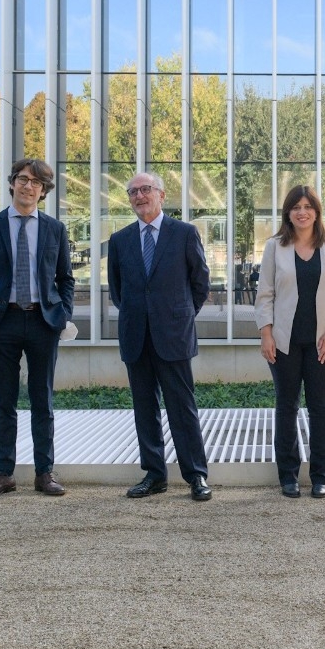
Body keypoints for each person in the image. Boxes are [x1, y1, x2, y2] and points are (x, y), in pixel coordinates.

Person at [0, 159, 75, 499]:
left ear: (43, 191)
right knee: (5, 401)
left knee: (43, 399)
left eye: (36, 183)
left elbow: (65, 279)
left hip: (43, 322)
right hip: (2, 321)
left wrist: (61, 315)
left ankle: (45, 473)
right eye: (23, 179)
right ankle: (4, 474)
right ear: (12, 183)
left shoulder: (55, 229)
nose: (28, 186)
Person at [107, 172, 213, 501]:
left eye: (145, 189)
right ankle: (154, 474)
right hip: (136, 335)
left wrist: (177, 315)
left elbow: (201, 283)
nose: (139, 196)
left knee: (182, 407)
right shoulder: (120, 240)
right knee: (144, 407)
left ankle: (196, 475)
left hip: (174, 335)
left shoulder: (183, 233)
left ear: (161, 195)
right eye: (133, 191)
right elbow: (117, 291)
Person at [254, 186, 325, 499]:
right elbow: (265, 293)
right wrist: (265, 332)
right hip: (284, 342)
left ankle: (321, 475)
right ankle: (288, 476)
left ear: (317, 212)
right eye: (295, 206)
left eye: (308, 206)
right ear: (287, 213)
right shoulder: (275, 247)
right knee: (286, 406)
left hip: (323, 342)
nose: (302, 212)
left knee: (320, 407)